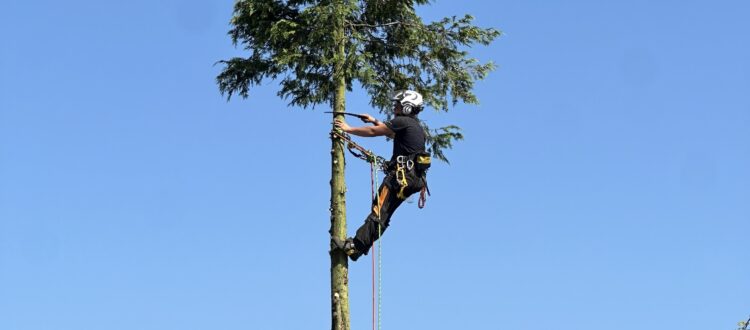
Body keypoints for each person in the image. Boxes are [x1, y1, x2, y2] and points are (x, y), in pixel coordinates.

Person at [332, 90, 430, 261]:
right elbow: (391, 132)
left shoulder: (402, 121)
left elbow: (373, 132)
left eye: (398, 104)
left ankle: (355, 246)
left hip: (401, 177)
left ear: (407, 107)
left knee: (379, 210)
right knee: (384, 213)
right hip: (414, 179)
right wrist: (374, 120)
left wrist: (348, 129)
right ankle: (359, 247)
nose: (394, 106)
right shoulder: (416, 127)